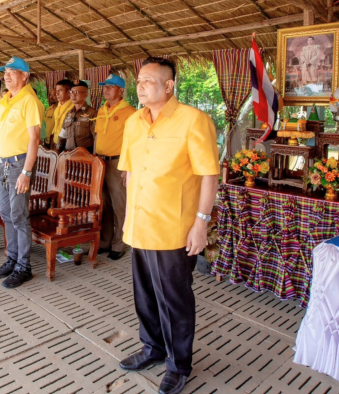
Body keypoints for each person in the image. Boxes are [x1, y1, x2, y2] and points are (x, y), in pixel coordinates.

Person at [117, 58, 219, 394]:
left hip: (174, 227)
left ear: (169, 86)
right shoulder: (133, 121)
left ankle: (179, 364)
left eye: (148, 80)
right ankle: (153, 348)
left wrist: (201, 223)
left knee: (174, 300)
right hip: (141, 225)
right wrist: (129, 217)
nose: (140, 86)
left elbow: (208, 175)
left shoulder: (193, 120)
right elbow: (129, 172)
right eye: (139, 80)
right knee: (145, 296)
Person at [0, 56, 41, 289]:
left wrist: (26, 173)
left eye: (12, 71)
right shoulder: (4, 101)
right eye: (5, 72)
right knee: (7, 213)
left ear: (25, 75)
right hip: (1, 164)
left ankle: (24, 266)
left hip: (19, 165)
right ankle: (12, 258)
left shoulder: (29, 100)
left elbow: (34, 138)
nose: (6, 75)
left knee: (19, 215)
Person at [94, 74, 137, 261]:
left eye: (111, 86)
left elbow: (134, 143)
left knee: (120, 205)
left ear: (121, 90)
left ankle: (120, 243)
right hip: (101, 162)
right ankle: (105, 241)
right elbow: (97, 136)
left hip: (118, 163)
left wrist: (128, 167)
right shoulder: (101, 110)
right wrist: (95, 159)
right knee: (103, 204)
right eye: (105, 86)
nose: (106, 89)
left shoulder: (131, 112)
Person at [57, 80, 97, 153]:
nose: (73, 95)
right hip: (68, 156)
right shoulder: (69, 113)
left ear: (86, 95)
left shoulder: (92, 113)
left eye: (77, 92)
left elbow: (96, 138)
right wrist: (57, 152)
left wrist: (94, 157)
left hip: (85, 157)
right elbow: (62, 136)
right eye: (72, 92)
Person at [44, 79, 73, 147]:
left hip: (68, 146)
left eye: (60, 91)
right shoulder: (57, 108)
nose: (57, 94)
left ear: (68, 92)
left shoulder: (74, 108)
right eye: (56, 91)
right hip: (56, 144)